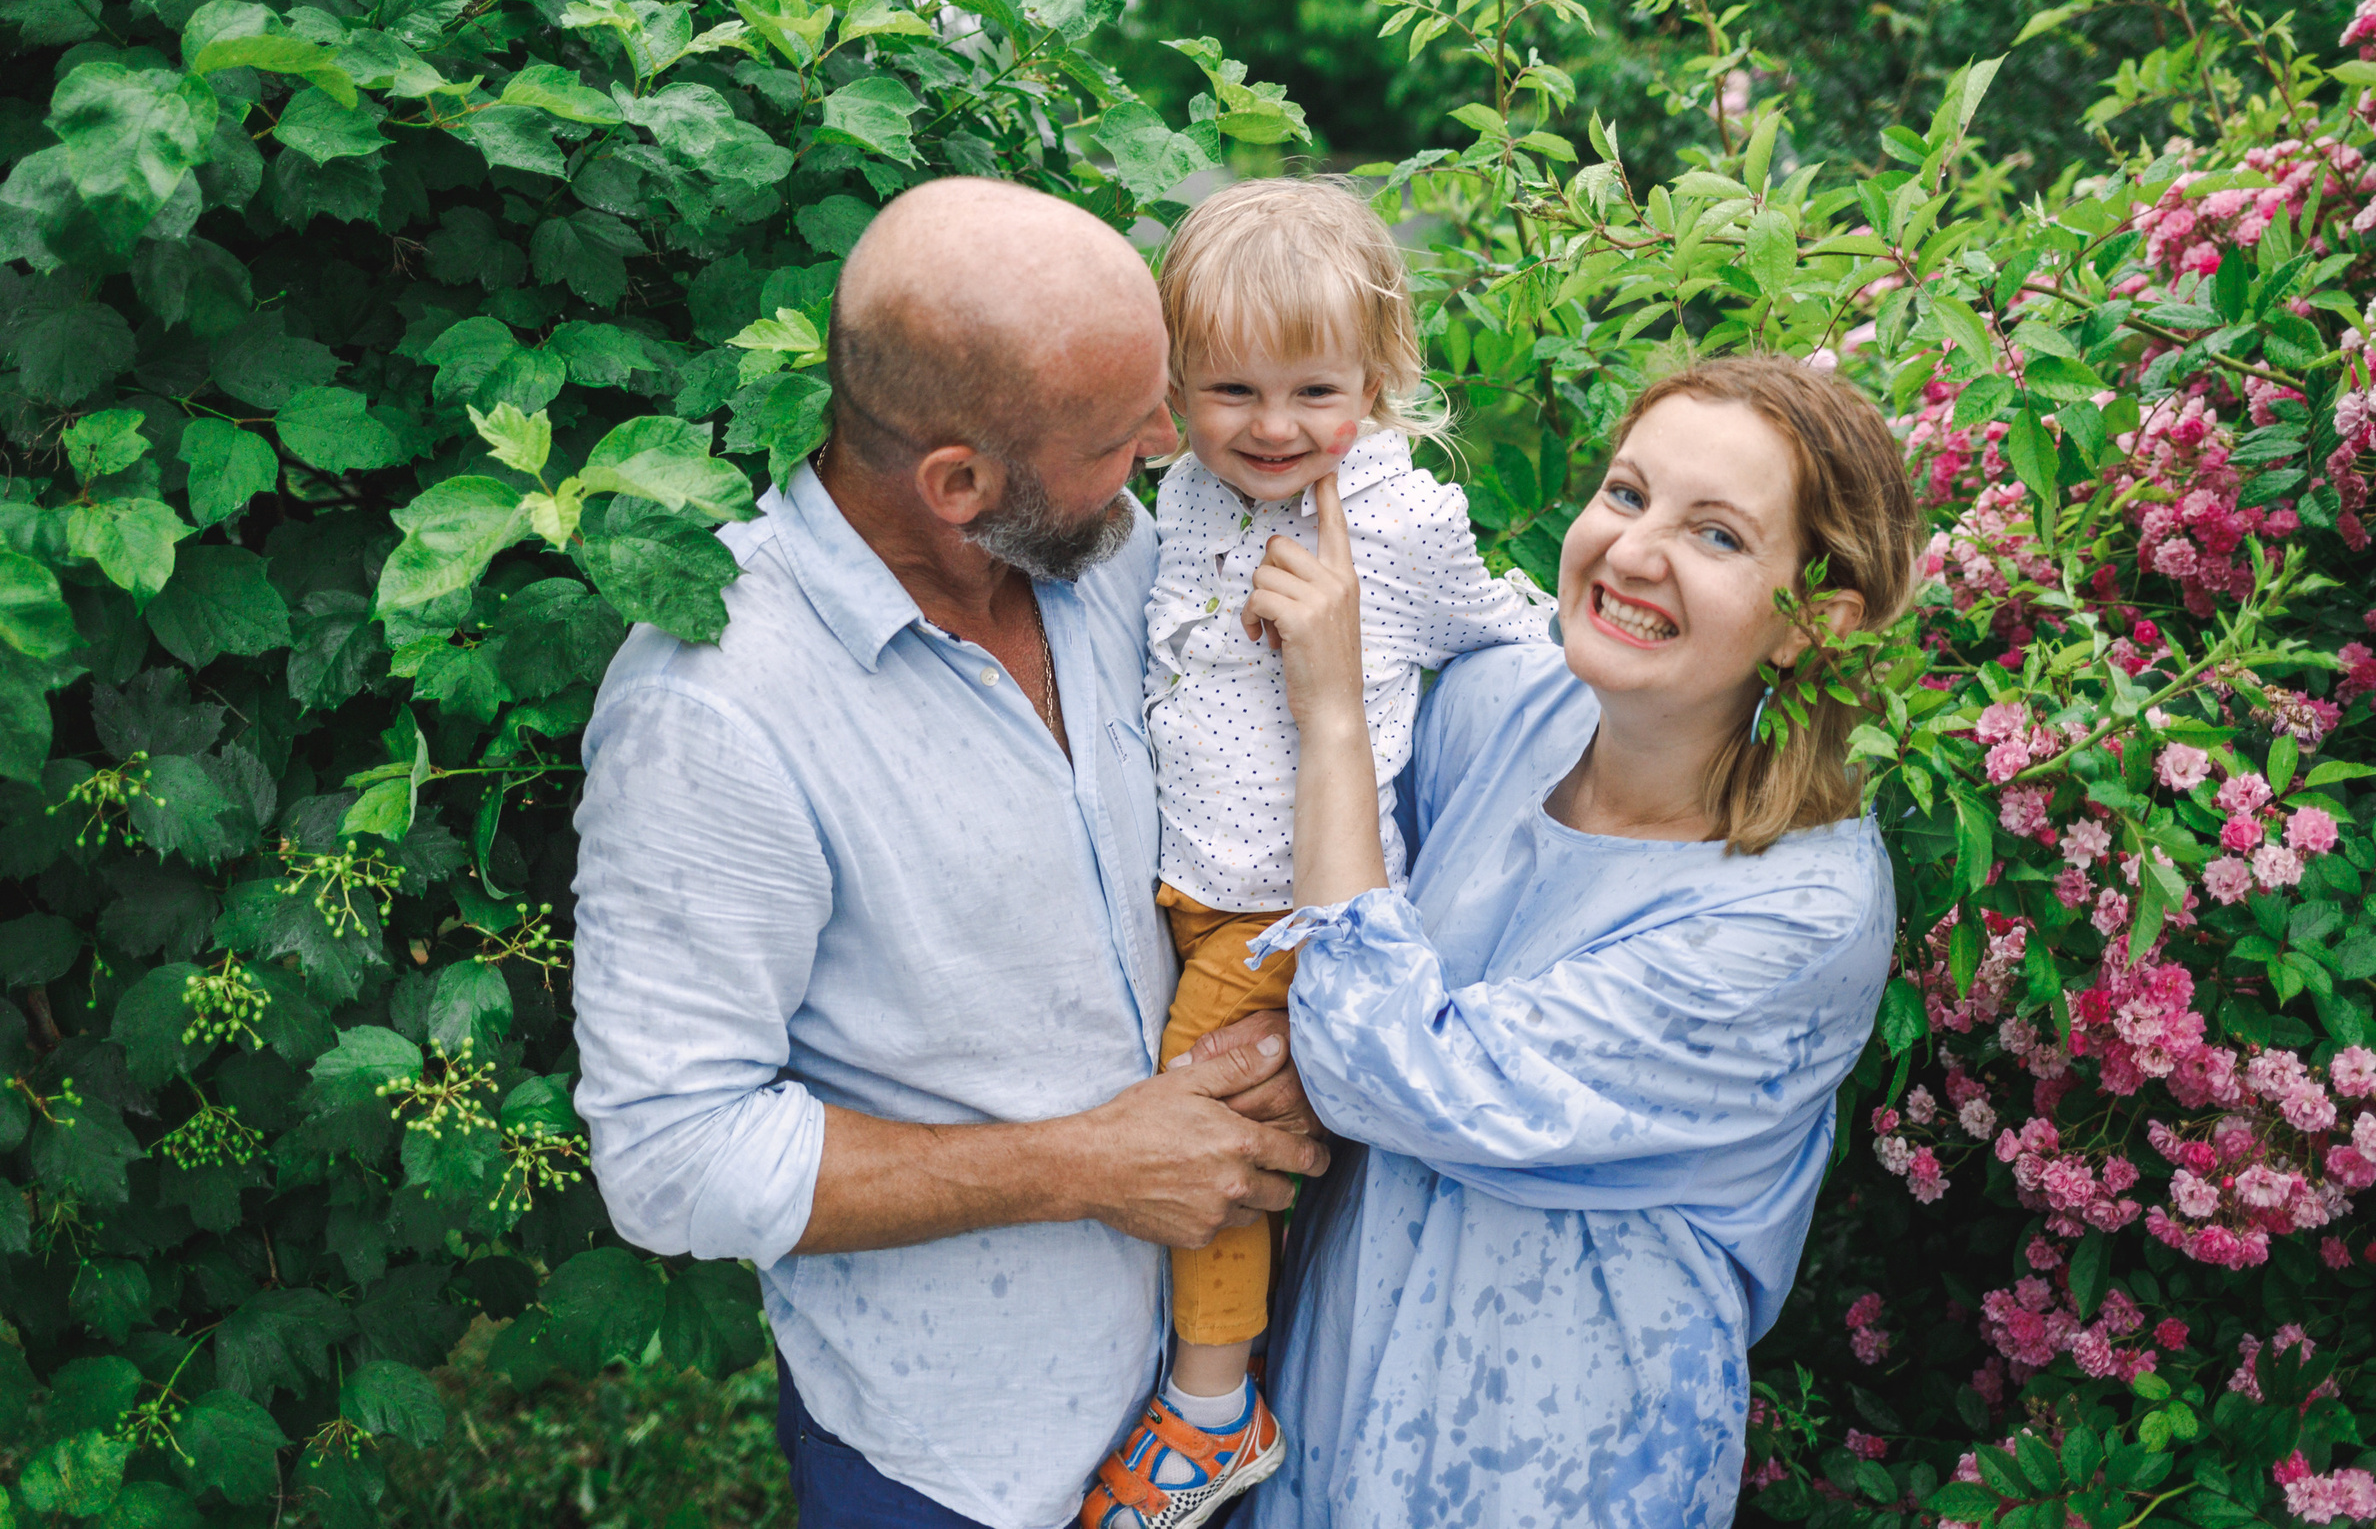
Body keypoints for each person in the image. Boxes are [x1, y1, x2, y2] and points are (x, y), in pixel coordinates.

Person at [569, 176, 1329, 1529]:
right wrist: (1090, 1161)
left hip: (1215, 1396)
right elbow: (673, 1152)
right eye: (1116, 434)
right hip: (959, 1461)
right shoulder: (718, 711)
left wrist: (1275, 1066)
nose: (1168, 443)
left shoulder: (1104, 553)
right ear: (958, 481)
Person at [1234, 357, 1920, 1527]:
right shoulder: (1500, 709)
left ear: (1817, 619)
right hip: (1337, 1391)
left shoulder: (1800, 915)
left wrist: (1336, 719)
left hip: (1560, 1456)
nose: (1634, 552)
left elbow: (1384, 1065)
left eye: (1713, 535)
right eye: (1624, 493)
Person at [1082, 180, 1553, 1529]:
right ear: (1176, 385)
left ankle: (1213, 1405)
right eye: (1232, 388)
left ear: (1380, 376)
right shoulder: (1182, 490)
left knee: (1206, 1116)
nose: (1276, 427)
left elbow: (1503, 635)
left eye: (1315, 390)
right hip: (1189, 880)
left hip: (1286, 904)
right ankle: (1229, 1351)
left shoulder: (1396, 520)